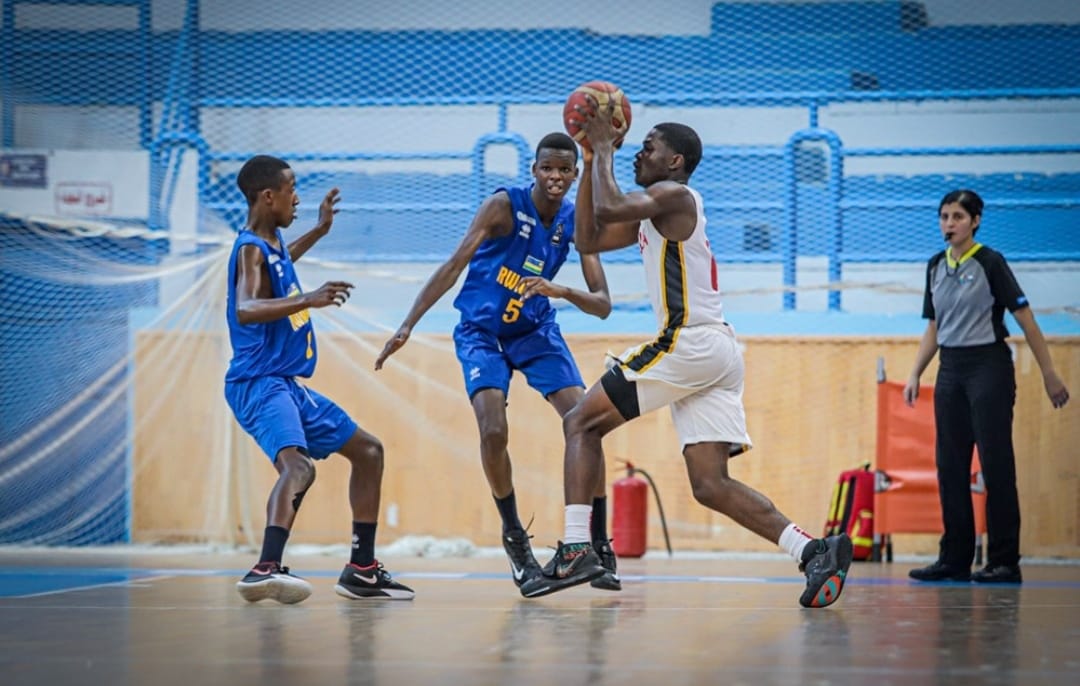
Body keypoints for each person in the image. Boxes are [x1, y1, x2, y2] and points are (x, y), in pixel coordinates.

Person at [519, 97, 853, 609]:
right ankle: (812, 550)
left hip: (689, 339)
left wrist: (603, 147)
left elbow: (609, 207)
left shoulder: (677, 195)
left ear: (674, 161)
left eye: (647, 146)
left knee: (581, 423)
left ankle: (577, 547)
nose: (638, 152)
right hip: (714, 350)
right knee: (711, 483)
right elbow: (589, 234)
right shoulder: (653, 213)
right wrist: (590, 161)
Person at [374, 133, 620, 595]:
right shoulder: (503, 207)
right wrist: (408, 324)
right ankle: (516, 543)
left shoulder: (576, 222)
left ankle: (598, 546)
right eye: (547, 168)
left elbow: (604, 304)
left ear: (575, 174)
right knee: (492, 430)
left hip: (534, 330)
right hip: (482, 332)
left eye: (565, 170)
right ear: (534, 170)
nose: (556, 177)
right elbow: (454, 263)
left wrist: (562, 291)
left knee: (585, 421)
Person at [225, 155, 414, 603]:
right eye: (291, 189)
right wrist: (310, 297)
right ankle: (264, 568)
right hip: (259, 381)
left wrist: (320, 230)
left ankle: (362, 570)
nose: (297, 197)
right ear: (268, 196)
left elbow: (281, 264)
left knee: (368, 451)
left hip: (287, 384)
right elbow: (245, 308)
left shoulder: (271, 247)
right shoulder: (251, 246)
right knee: (299, 467)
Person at [905, 189, 1069, 585]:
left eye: (958, 216)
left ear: (975, 220)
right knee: (951, 466)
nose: (949, 224)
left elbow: (1025, 318)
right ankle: (955, 558)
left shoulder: (991, 262)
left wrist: (1049, 373)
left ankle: (1004, 560)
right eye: (944, 216)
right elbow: (934, 327)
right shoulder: (934, 266)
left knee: (995, 464)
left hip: (988, 367)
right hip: (951, 370)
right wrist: (915, 373)